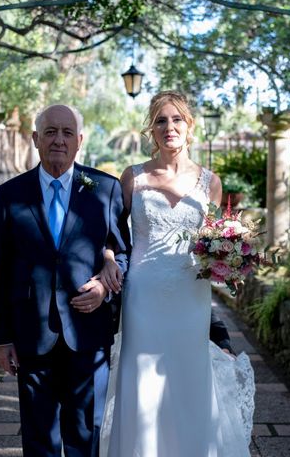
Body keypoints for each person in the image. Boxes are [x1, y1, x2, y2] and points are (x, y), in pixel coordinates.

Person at [100, 91, 255, 457]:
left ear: (190, 127)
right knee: (144, 381)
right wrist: (108, 256)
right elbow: (111, 233)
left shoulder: (209, 182)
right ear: (151, 130)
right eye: (161, 121)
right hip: (144, 295)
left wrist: (229, 256)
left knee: (189, 377)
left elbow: (215, 237)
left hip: (191, 295)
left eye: (176, 120)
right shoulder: (132, 177)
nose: (169, 127)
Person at [0, 104, 131, 457]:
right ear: (36, 138)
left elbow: (124, 254)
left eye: (67, 133)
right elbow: (2, 266)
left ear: (80, 141)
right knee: (39, 440)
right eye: (51, 131)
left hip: (88, 332)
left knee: (85, 435)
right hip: (32, 333)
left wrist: (104, 286)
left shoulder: (106, 189)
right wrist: (2, 338)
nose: (59, 139)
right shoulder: (10, 194)